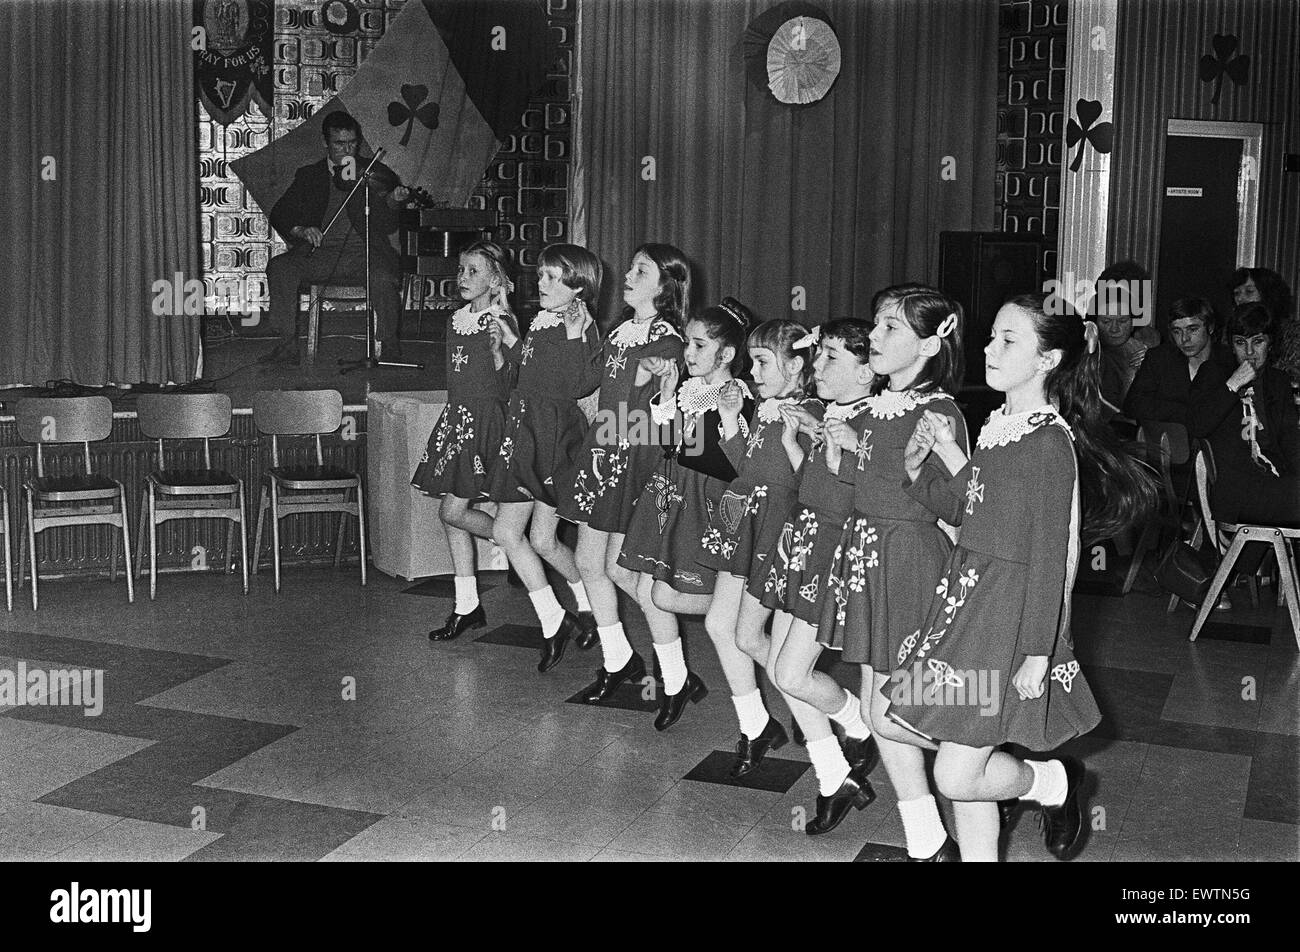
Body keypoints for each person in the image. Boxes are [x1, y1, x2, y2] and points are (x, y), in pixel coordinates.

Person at [881, 291, 1156, 862]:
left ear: (1047, 360)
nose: (990, 348)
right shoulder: (999, 424)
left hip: (1001, 623)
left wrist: (1038, 651)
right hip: (962, 606)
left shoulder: (1048, 442)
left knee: (957, 775)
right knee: (900, 720)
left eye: (1009, 340)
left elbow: (1049, 556)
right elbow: (974, 510)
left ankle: (1053, 783)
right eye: (991, 337)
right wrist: (921, 479)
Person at [816, 284, 969, 861]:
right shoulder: (877, 407)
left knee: (898, 713)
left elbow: (959, 505)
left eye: (890, 329)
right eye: (877, 326)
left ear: (929, 345)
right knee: (881, 713)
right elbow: (870, 489)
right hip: (869, 561)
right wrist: (846, 454)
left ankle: (1015, 771)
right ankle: (929, 843)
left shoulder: (938, 411)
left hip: (910, 566)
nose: (874, 338)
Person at [554, 244, 687, 704]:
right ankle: (619, 660)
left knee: (624, 570)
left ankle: (675, 674)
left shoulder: (668, 340)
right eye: (631, 267)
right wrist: (577, 336)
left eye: (640, 270)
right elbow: (580, 386)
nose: (627, 275)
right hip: (604, 450)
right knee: (594, 562)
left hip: (635, 457)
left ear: (665, 285)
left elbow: (658, 414)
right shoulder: (620, 332)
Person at [766, 319, 880, 836]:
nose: (817, 366)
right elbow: (813, 484)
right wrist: (795, 442)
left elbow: (878, 495)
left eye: (832, 357)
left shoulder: (874, 421)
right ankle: (835, 778)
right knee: (777, 665)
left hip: (835, 556)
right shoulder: (833, 413)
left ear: (866, 371)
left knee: (792, 674)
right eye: (820, 355)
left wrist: (855, 449)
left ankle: (858, 725)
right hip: (805, 545)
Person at [699, 319, 819, 777]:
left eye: (763, 362)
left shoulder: (808, 412)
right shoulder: (767, 408)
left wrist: (795, 439)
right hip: (746, 525)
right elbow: (743, 469)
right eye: (751, 362)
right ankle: (756, 723)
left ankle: (818, 712)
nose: (754, 371)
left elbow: (810, 481)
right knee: (718, 624)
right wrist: (730, 420)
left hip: (781, 534)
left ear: (795, 366)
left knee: (754, 636)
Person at [486, 244, 605, 672]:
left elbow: (576, 385)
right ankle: (564, 617)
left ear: (580, 287)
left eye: (554, 278)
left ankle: (581, 612)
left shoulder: (584, 327)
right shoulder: (542, 321)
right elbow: (533, 369)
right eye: (541, 275)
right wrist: (510, 345)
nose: (542, 284)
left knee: (534, 538)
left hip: (554, 439)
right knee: (518, 534)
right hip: (525, 431)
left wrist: (575, 337)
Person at [412, 241, 520, 641]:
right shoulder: (455, 319)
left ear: (495, 279)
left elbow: (511, 379)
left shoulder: (500, 319)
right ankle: (466, 604)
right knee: (450, 514)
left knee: (452, 512)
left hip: (486, 423)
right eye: (461, 270)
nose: (463, 277)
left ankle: (514, 544)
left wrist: (500, 349)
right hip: (458, 420)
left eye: (474, 271)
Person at [265, 111, 409, 365]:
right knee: (280, 267)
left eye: (352, 143)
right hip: (320, 256)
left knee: (384, 277)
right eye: (339, 144)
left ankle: (389, 345)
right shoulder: (309, 175)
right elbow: (280, 213)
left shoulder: (372, 173)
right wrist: (300, 230)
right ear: (325, 143)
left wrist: (393, 203)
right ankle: (286, 345)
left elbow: (386, 225)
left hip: (363, 255)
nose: (347, 150)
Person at [1187, 303, 1300, 539]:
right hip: (1236, 493)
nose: (1249, 352)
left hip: (1276, 483)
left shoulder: (1277, 382)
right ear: (1232, 346)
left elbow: (1291, 443)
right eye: (1241, 343)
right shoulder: (1214, 374)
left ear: (1270, 344)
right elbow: (1197, 426)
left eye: (1257, 342)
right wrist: (1232, 386)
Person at [1123, 297, 1234, 426]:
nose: (1184, 338)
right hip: (1170, 442)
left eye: (1192, 329)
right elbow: (1132, 405)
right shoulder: (1159, 358)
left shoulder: (1227, 360)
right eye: (1177, 331)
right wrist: (1187, 413)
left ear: (1210, 327)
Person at [1231, 267, 1299, 383]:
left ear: (1268, 295)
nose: (1241, 298)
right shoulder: (1231, 330)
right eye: (1237, 293)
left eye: (1249, 291)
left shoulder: (1292, 332)